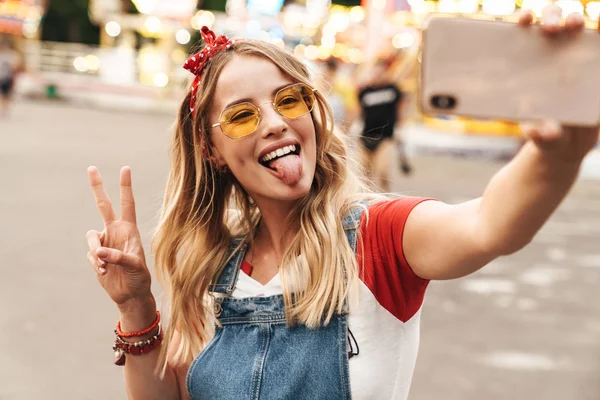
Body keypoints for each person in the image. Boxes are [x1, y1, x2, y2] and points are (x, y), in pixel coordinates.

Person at [85, 9, 598, 400]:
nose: (274, 122)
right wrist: (135, 305)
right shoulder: (211, 267)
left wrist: (554, 154)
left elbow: (489, 226)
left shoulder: (380, 237)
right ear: (212, 153)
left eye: (289, 100)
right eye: (242, 116)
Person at [356, 55, 410, 192]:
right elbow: (357, 111)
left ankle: (386, 197)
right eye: (375, 70)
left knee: (382, 172)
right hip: (366, 136)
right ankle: (366, 201)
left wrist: (401, 128)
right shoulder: (365, 91)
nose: (377, 73)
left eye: (380, 70)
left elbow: (400, 109)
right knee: (364, 176)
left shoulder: (393, 89)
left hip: (385, 137)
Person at [0, 40, 18, 117]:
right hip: (1, 76)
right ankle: (2, 109)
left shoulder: (11, 55)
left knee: (6, 94)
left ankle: (5, 109)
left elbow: (14, 66)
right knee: (1, 95)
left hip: (7, 77)